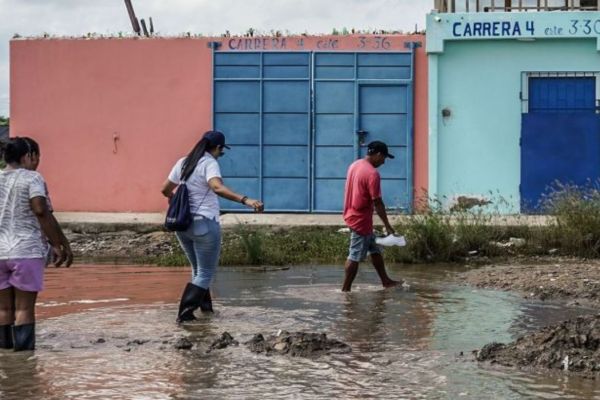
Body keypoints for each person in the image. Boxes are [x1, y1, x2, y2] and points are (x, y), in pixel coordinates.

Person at [161, 130, 263, 323]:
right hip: (204, 225)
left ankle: (206, 310)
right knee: (206, 272)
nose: (221, 155)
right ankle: (184, 315)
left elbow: (164, 189)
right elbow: (216, 187)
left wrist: (175, 200)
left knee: (198, 270)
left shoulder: (183, 162)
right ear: (217, 148)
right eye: (222, 152)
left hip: (183, 226)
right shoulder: (209, 163)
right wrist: (245, 200)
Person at [0, 137, 73, 351]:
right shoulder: (32, 179)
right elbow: (41, 210)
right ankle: (24, 364)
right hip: (26, 250)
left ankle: (6, 362)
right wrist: (58, 244)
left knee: (3, 309)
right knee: (24, 309)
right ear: (27, 156)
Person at [342, 140, 401, 292]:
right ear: (378, 154)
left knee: (375, 249)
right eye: (384, 158)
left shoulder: (355, 165)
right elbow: (378, 202)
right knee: (354, 255)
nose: (383, 162)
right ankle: (345, 290)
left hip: (353, 214)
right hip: (360, 219)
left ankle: (386, 281)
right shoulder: (372, 174)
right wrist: (388, 226)